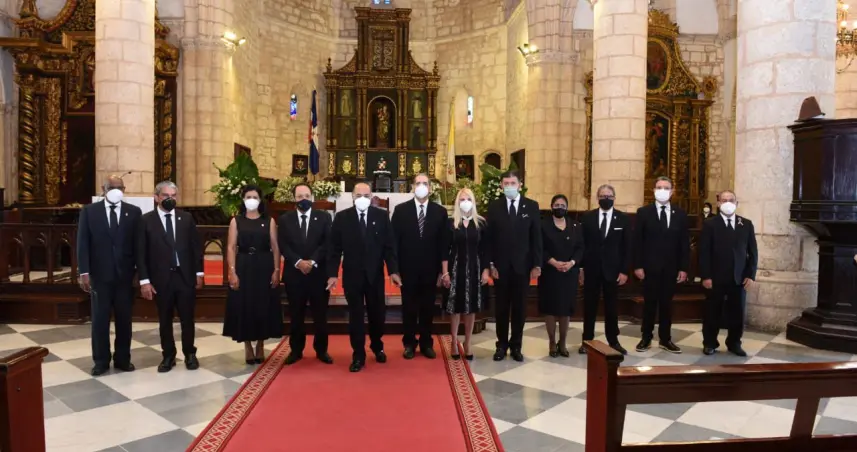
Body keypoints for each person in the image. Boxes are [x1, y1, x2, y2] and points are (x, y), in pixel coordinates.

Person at [327, 182, 402, 372]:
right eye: (358, 195)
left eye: (366, 196)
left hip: (375, 275)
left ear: (371, 197)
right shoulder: (342, 218)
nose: (362, 199)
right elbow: (334, 249)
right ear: (352, 196)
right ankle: (358, 354)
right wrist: (332, 274)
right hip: (352, 276)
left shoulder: (381, 216)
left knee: (378, 315)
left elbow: (389, 247)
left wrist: (393, 271)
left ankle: (377, 346)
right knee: (356, 317)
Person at [77, 175, 142, 376]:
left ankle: (123, 359)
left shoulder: (134, 212)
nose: (116, 190)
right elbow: (83, 243)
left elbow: (139, 245)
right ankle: (101, 360)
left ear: (124, 189)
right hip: (100, 275)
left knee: (124, 320)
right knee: (99, 320)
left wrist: (139, 272)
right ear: (103, 189)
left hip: (125, 276)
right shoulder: (89, 212)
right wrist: (84, 272)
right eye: (111, 187)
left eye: (119, 187)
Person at [137, 181, 204, 372]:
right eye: (166, 196)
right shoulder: (146, 220)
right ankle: (168, 355)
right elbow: (140, 253)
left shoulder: (186, 218)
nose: (170, 199)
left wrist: (199, 272)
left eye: (173, 196)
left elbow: (196, 247)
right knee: (164, 319)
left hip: (184, 277)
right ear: (156, 197)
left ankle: (190, 353)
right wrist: (145, 280)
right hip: (161, 279)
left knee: (187, 318)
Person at [484, 170, 542, 362]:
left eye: (513, 183)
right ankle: (501, 345)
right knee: (501, 308)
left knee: (519, 308)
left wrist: (537, 264)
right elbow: (489, 239)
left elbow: (536, 238)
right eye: (506, 183)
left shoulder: (531, 206)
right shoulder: (494, 207)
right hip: (500, 268)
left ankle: (516, 345)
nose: (509, 186)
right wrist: (490, 264)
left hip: (522, 267)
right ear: (501, 185)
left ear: (520, 185)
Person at [223, 185, 283, 364]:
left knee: (263, 304)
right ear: (243, 199)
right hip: (243, 265)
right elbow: (231, 247)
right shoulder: (236, 221)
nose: (251, 200)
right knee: (245, 304)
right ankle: (248, 345)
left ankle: (261, 344)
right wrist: (232, 271)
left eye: (255, 197)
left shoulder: (269, 220)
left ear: (260, 200)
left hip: (264, 265)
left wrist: (276, 270)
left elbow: (275, 247)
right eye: (248, 197)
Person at [392, 174, 448, 359]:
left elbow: (443, 244)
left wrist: (442, 271)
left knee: (427, 308)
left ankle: (426, 343)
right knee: (408, 307)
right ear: (412, 187)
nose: (421, 186)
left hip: (430, 269)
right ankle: (409, 343)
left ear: (430, 188)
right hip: (407, 269)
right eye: (418, 183)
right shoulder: (401, 210)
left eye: (425, 183)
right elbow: (393, 243)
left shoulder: (440, 212)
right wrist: (394, 270)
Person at [278, 183, 333, 365]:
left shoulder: (324, 217)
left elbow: (327, 243)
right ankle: (296, 350)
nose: (304, 199)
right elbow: (283, 244)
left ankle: (321, 350)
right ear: (294, 198)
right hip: (294, 274)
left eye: (307, 196)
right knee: (296, 315)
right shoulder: (285, 219)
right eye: (300, 196)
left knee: (320, 315)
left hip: (318, 274)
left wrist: (312, 261)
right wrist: (298, 262)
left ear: (312, 197)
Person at [633, 177, 689, 354]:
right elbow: (637, 242)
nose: (662, 190)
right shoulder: (643, 212)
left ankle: (665, 339)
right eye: (659, 187)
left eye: (666, 188)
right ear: (654, 190)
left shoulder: (680, 214)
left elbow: (684, 244)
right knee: (649, 304)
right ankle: (646, 337)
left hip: (671, 268)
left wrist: (684, 268)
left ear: (672, 191)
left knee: (667, 305)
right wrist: (638, 265)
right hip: (649, 268)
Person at [698, 190, 758, 357]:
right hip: (715, 277)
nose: (728, 203)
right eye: (724, 200)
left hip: (738, 278)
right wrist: (706, 276)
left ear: (736, 203)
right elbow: (704, 252)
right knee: (712, 312)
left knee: (737, 313)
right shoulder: (710, 224)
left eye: (731, 200)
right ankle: (710, 343)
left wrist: (750, 275)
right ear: (718, 203)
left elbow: (753, 252)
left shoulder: (746, 224)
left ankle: (734, 343)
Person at [579, 184, 631, 355]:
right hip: (591, 269)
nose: (606, 198)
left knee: (611, 307)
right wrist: (581, 268)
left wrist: (624, 271)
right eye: (602, 196)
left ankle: (613, 341)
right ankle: (587, 340)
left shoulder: (622, 218)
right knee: (589, 306)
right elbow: (582, 244)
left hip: (613, 270)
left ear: (614, 198)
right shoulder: (588, 217)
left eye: (609, 196)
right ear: (597, 198)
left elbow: (626, 247)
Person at [440, 188, 489, 361]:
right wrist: (445, 273)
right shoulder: (450, 223)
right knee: (455, 307)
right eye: (462, 199)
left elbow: (485, 250)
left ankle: (468, 343)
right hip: (455, 268)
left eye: (468, 199)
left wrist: (485, 270)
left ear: (473, 202)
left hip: (475, 269)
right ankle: (454, 341)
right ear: (457, 202)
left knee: (470, 308)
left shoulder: (481, 223)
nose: (465, 202)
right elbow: (444, 249)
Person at [538, 194, 583, 358]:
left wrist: (572, 263)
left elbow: (580, 248)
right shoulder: (543, 225)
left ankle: (562, 342)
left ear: (567, 207)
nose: (560, 208)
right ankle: (552, 342)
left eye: (563, 205)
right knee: (550, 308)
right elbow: (540, 247)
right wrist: (554, 262)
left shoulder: (575, 226)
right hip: (550, 272)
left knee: (565, 308)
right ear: (551, 206)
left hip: (569, 272)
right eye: (556, 205)